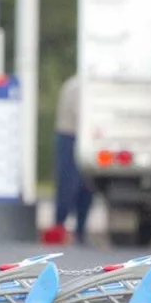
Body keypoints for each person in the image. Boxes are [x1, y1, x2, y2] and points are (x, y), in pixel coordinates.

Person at [52, 74, 93, 244]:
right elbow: (81, 115)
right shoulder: (75, 86)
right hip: (70, 137)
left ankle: (80, 230)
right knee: (68, 184)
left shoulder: (81, 84)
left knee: (87, 187)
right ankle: (59, 227)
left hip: (84, 138)